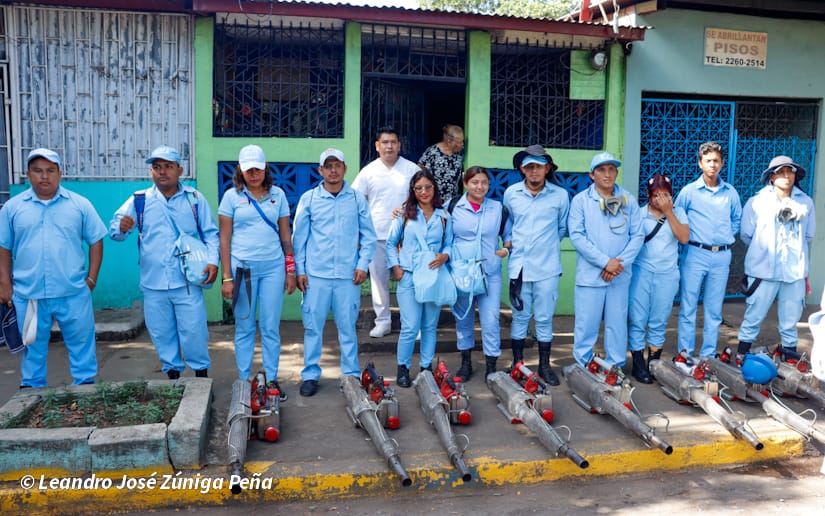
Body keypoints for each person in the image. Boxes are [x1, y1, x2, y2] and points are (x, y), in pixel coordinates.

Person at [110, 145, 219, 379]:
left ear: (180, 170)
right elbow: (115, 230)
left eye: (168, 167)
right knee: (161, 333)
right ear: (151, 172)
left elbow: (211, 234)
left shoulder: (194, 199)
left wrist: (213, 262)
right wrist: (121, 228)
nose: (162, 172)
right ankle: (173, 379)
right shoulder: (139, 200)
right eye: (157, 167)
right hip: (153, 283)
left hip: (188, 281)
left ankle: (201, 376)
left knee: (194, 332)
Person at [0, 148, 106, 388]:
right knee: (32, 348)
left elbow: (96, 239)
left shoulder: (79, 205)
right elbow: (3, 246)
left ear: (60, 174)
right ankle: (32, 391)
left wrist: (91, 279)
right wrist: (4, 283)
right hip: (30, 295)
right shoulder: (14, 207)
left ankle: (84, 387)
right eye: (37, 171)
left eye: (50, 171)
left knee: (81, 345)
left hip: (73, 292)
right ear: (28, 174)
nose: (44, 176)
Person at [292, 148, 376, 397]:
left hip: (348, 276)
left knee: (347, 327)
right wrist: (300, 270)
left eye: (337, 165)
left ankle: (350, 375)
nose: (332, 170)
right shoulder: (309, 199)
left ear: (345, 168)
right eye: (327, 166)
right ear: (320, 171)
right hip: (316, 275)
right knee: (312, 328)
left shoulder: (357, 199)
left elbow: (369, 237)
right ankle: (310, 374)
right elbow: (300, 239)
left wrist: (362, 265)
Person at [218, 145, 296, 399]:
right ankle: (243, 380)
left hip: (273, 268)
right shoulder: (231, 197)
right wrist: (226, 277)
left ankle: (272, 380)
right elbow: (225, 240)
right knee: (244, 326)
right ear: (240, 169)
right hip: (243, 271)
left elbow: (286, 235)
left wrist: (290, 270)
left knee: (271, 326)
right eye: (248, 169)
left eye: (258, 169)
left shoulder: (278, 195)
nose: (253, 174)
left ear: (265, 169)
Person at [569, 152, 644, 370]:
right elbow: (577, 237)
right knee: (586, 324)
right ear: (592, 175)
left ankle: (615, 366)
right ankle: (583, 366)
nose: (607, 174)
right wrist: (605, 262)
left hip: (619, 275)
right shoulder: (581, 201)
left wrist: (618, 265)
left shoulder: (628, 200)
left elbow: (637, 235)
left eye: (611, 169)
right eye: (601, 170)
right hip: (591, 275)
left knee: (617, 323)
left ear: (617, 173)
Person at [502, 145, 568, 385]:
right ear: (522, 169)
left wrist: (545, 246)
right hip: (519, 266)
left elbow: (562, 228)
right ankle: (518, 364)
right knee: (519, 316)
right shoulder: (511, 193)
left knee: (543, 318)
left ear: (547, 168)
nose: (534, 171)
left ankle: (543, 366)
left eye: (538, 167)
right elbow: (507, 222)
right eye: (529, 166)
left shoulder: (560, 195)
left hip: (547, 267)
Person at [737, 156, 816, 357]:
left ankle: (789, 361)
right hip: (763, 271)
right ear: (772, 177)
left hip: (793, 272)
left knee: (790, 322)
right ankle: (741, 356)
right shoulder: (757, 202)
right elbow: (746, 234)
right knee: (753, 317)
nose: (786, 176)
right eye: (780, 172)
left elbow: (809, 235)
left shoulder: (805, 202)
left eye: (790, 172)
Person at [675, 142, 742, 358]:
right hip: (695, 253)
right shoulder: (689, 192)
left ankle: (708, 356)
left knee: (714, 310)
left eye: (716, 161)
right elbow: (677, 217)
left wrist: (725, 238)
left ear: (722, 164)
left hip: (721, 255)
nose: (712, 165)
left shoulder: (730, 192)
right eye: (708, 161)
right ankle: (685, 354)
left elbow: (736, 220)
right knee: (688, 306)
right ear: (700, 163)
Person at [386, 169, 452, 388]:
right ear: (413, 191)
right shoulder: (405, 214)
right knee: (410, 326)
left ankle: (426, 368)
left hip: (433, 276)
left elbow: (449, 243)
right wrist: (396, 269)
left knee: (430, 325)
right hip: (409, 276)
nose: (424, 192)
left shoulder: (443, 216)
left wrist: (445, 255)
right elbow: (390, 243)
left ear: (434, 188)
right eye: (419, 188)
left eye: (428, 187)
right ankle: (403, 368)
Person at [352, 126, 420, 338]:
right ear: (377, 146)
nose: (389, 146)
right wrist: (360, 236)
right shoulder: (368, 172)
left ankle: (413, 324)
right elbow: (357, 203)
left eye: (393, 142)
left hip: (407, 235)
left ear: (399, 145)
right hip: (377, 235)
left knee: (408, 280)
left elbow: (423, 197)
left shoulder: (411, 170)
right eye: (385, 142)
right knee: (379, 281)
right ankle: (383, 321)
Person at [449, 166, 510, 381]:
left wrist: (505, 249)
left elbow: (508, 234)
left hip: (489, 272)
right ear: (465, 184)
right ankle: (465, 363)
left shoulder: (497, 208)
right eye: (474, 182)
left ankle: (491, 366)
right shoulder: (453, 206)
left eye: (484, 182)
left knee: (491, 319)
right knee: (463, 318)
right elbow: (444, 235)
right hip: (462, 273)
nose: (480, 186)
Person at [627, 174, 689, 383]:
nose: (660, 199)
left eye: (665, 194)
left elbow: (684, 238)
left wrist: (669, 212)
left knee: (659, 320)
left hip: (667, 274)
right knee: (637, 319)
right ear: (648, 195)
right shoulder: (639, 213)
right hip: (641, 272)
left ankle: (654, 363)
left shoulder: (678, 212)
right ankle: (638, 364)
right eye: (656, 195)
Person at [418, 124, 465, 202]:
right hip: (434, 200)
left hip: (453, 201)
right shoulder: (432, 152)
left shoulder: (461, 151)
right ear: (449, 141)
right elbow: (419, 170)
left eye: (462, 141)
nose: (462, 144)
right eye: (459, 142)